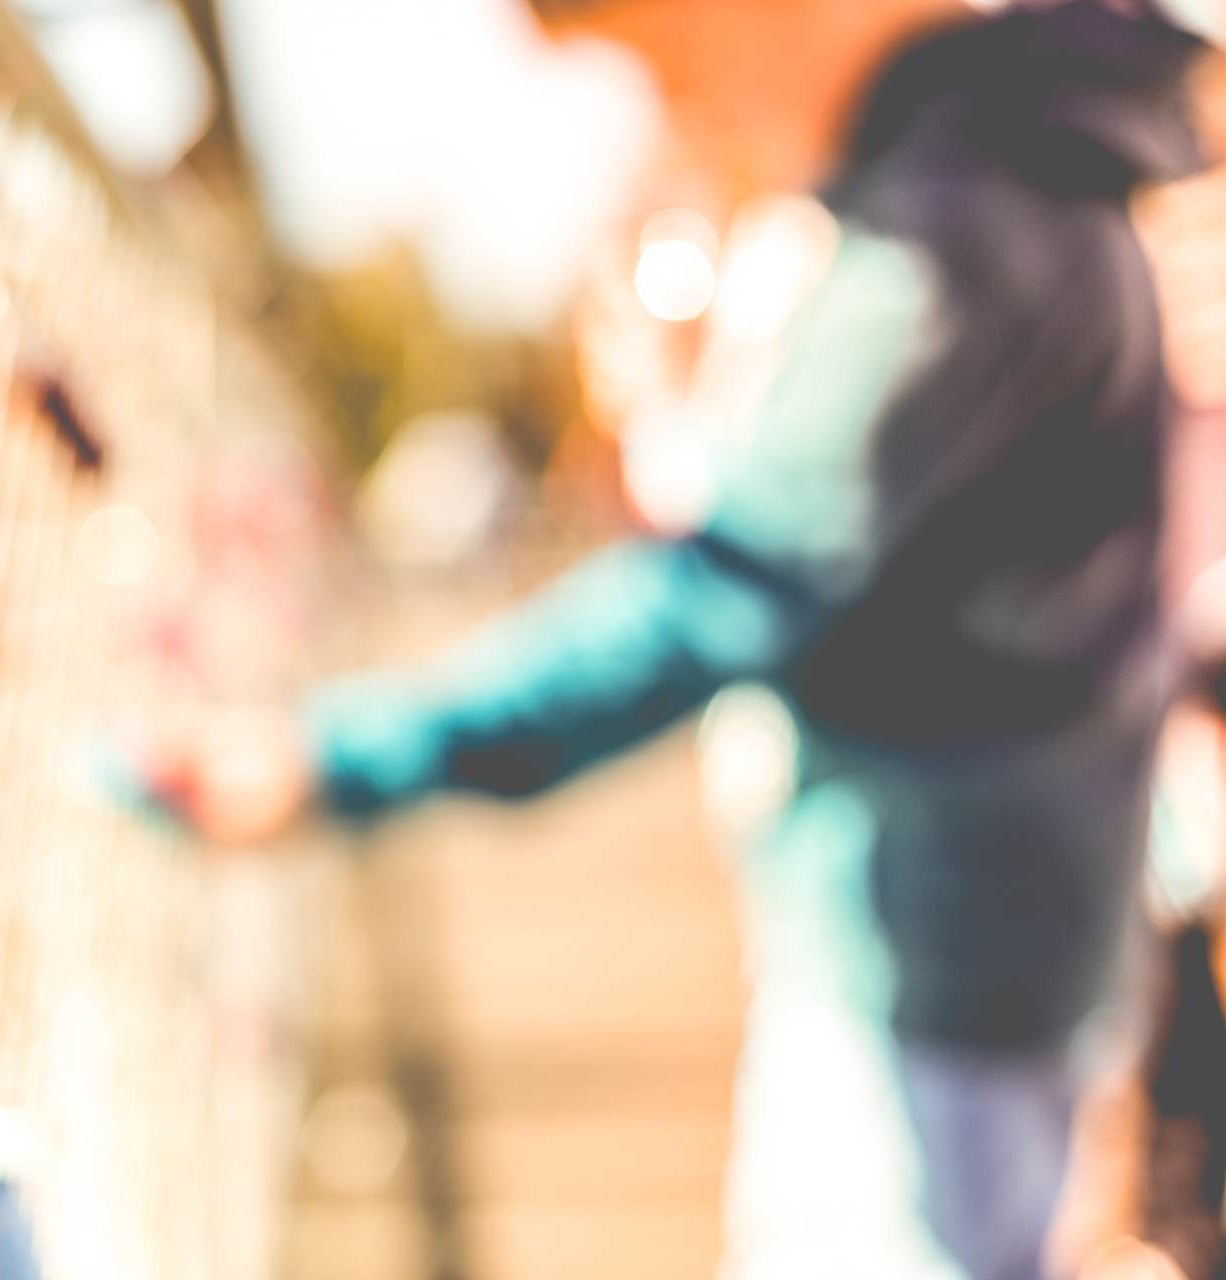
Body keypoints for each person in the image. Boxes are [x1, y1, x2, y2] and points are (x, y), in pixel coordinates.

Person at [138, 2, 1216, 1276]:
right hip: (1002, 933)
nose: (652, 94)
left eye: (640, 37)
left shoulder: (952, 236)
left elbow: (719, 599)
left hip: (927, 972)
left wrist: (335, 758)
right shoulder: (1021, 174)